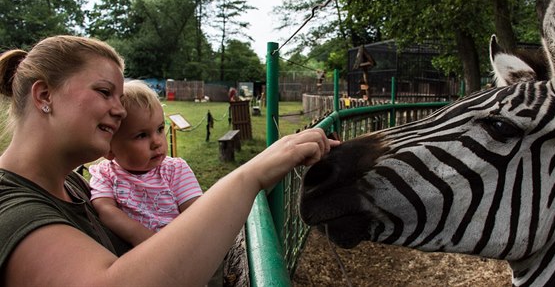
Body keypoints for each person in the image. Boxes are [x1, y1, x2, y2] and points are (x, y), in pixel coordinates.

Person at [0, 35, 338, 286]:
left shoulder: (72, 184)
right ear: (44, 95)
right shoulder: (11, 207)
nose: (119, 110)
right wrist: (249, 176)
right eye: (104, 92)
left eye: (120, 97)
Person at [89, 80, 203, 246]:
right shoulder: (105, 174)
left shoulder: (176, 170)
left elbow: (197, 214)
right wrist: (150, 242)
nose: (157, 142)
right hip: (139, 258)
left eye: (160, 129)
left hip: (181, 248)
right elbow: (106, 210)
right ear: (109, 149)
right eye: (142, 135)